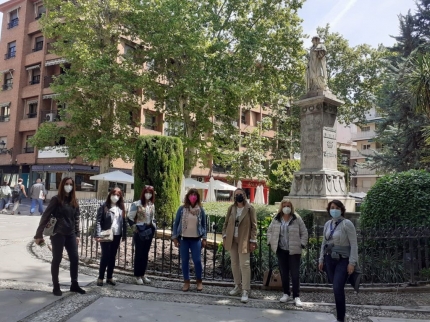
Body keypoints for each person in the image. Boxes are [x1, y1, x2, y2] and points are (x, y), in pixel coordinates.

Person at [34, 177, 86, 296]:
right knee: (57, 259)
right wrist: (38, 234)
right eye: (66, 184)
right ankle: (56, 286)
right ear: (62, 185)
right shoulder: (56, 199)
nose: (69, 186)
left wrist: (77, 234)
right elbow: (45, 216)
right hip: (58, 233)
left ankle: (74, 284)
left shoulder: (74, 201)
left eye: (71, 184)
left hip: (71, 233)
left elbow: (76, 218)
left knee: (74, 258)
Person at [318, 200, 358, 322]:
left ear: (341, 209)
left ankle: (341, 317)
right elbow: (324, 243)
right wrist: (321, 259)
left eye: (336, 207)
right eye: (331, 208)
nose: (333, 210)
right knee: (336, 287)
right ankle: (341, 314)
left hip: (343, 259)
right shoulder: (327, 224)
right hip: (329, 258)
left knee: (337, 287)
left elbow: (354, 244)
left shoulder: (347, 224)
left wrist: (352, 262)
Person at [267, 198, 308, 307]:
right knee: (284, 274)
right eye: (284, 205)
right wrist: (271, 242)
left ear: (291, 207)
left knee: (295, 274)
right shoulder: (277, 218)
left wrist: (302, 244)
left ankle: (296, 296)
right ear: (281, 207)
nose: (286, 207)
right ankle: (286, 293)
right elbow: (270, 231)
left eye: (288, 205)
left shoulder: (296, 218)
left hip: (294, 251)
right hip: (281, 250)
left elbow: (304, 232)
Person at [222, 188, 257, 303]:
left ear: (244, 195)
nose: (238, 196)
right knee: (234, 263)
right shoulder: (231, 208)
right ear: (234, 197)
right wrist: (224, 236)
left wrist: (253, 241)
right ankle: (238, 286)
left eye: (240, 194)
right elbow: (226, 223)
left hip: (244, 240)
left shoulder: (250, 209)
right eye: (236, 195)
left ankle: (246, 290)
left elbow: (254, 226)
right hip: (232, 239)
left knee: (245, 264)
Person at [172, 188, 207, 292]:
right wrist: (174, 238)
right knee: (184, 260)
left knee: (197, 260)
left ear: (197, 197)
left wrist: (204, 238)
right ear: (188, 196)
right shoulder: (182, 209)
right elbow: (176, 223)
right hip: (183, 239)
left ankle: (199, 281)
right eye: (191, 194)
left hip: (196, 239)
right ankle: (186, 282)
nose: (193, 196)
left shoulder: (200, 210)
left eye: (195, 195)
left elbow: (204, 224)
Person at [94, 187, 127, 286]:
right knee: (105, 256)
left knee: (112, 256)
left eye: (118, 195)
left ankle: (109, 277)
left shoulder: (121, 208)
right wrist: (98, 234)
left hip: (117, 235)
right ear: (110, 195)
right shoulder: (104, 206)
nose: (115, 197)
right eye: (114, 194)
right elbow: (98, 221)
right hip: (106, 234)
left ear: (120, 197)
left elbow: (123, 222)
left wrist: (124, 234)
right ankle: (100, 277)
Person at [127, 185, 157, 285]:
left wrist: (153, 227)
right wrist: (135, 229)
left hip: (149, 230)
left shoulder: (152, 205)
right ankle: (137, 275)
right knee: (139, 253)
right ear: (143, 193)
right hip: (140, 230)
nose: (148, 195)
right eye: (146, 192)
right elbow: (130, 217)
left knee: (145, 253)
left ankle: (143, 274)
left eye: (150, 193)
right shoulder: (136, 204)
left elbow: (152, 217)